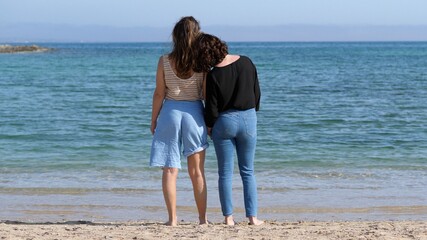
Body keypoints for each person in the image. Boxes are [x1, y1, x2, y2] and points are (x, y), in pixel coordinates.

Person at [193, 33, 264, 226]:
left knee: (224, 173)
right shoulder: (247, 62)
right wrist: (252, 111)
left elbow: (212, 106)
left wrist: (209, 126)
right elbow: (257, 92)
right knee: (248, 171)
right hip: (248, 118)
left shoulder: (213, 74)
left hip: (224, 122)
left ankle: (228, 218)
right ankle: (253, 217)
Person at [150, 16, 209, 226]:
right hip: (194, 112)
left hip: (170, 113)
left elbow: (159, 94)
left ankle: (172, 219)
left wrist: (153, 119)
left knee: (169, 169)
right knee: (197, 172)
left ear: (176, 36)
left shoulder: (164, 60)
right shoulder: (202, 62)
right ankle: (202, 220)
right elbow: (205, 94)